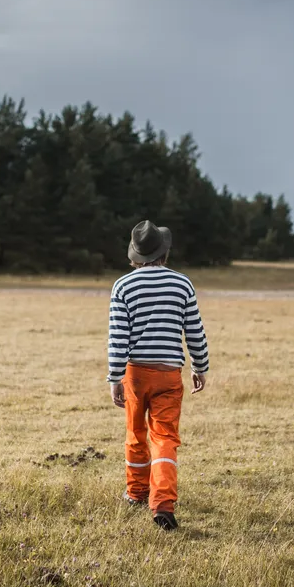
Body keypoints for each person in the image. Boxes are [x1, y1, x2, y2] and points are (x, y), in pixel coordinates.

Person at [107, 220, 209, 531]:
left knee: (136, 434)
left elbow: (118, 336)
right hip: (169, 374)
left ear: (135, 255)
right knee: (164, 438)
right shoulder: (182, 284)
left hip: (136, 374)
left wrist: (114, 378)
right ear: (164, 253)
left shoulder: (123, 286)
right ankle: (162, 502)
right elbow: (194, 330)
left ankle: (136, 493)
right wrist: (200, 366)